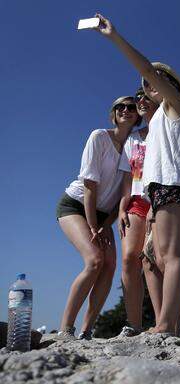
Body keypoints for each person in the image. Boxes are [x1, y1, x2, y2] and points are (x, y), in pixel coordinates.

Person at [95, 14, 180, 336]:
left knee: (169, 259)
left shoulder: (175, 104)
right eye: (143, 87)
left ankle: (166, 325)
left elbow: (144, 69)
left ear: (166, 83)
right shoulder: (157, 120)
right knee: (167, 259)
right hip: (166, 189)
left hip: (173, 186)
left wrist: (115, 37)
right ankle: (169, 324)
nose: (145, 88)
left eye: (151, 82)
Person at [56, 96, 140, 340]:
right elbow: (90, 185)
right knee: (94, 260)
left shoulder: (133, 146)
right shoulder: (99, 137)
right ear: (113, 113)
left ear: (137, 116)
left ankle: (86, 331)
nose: (126, 110)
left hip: (105, 215)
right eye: (120, 107)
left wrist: (105, 224)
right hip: (76, 204)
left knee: (110, 265)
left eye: (131, 107)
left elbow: (123, 194)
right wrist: (93, 225)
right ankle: (65, 329)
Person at [117, 88, 161, 337]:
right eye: (138, 99)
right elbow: (127, 175)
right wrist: (122, 206)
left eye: (146, 97)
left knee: (153, 261)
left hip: (161, 200)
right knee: (128, 259)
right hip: (136, 201)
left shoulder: (167, 129)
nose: (141, 102)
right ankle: (133, 324)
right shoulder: (133, 138)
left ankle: (162, 322)